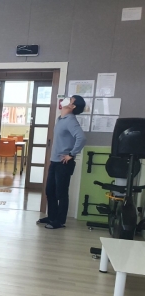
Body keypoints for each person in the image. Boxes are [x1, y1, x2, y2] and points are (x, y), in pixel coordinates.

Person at [37, 95, 87, 229]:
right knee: (50, 191)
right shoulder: (61, 119)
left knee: (61, 193)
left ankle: (60, 221)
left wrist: (71, 154)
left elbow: (81, 138)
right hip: (54, 161)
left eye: (70, 100)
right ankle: (52, 217)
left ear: (73, 106)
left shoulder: (70, 120)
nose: (66, 100)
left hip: (63, 163)